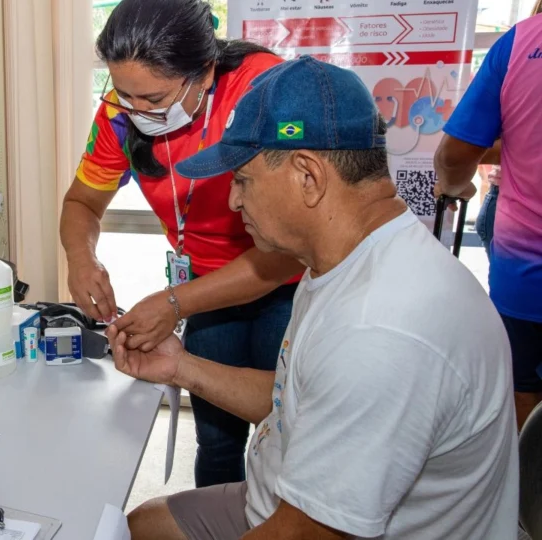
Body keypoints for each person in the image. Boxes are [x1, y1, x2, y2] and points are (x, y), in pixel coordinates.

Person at [110, 57, 518, 539]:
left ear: (308, 176)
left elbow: (306, 534)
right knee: (139, 526)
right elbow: (296, 401)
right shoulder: (349, 254)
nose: (234, 202)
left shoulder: (379, 330)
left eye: (242, 181)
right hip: (276, 495)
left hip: (305, 523)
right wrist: (179, 368)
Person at [60, 0, 303, 488]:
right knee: (216, 437)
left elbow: (283, 252)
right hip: (208, 290)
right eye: (123, 94)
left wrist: (174, 302)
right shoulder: (120, 113)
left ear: (205, 70)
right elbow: (82, 203)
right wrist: (81, 259)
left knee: (291, 427)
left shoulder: (264, 92)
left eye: (153, 98)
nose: (134, 110)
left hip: (287, 283)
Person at [435, 13, 542, 430]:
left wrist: (456, 186)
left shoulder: (521, 43)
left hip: (527, 270)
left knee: (523, 399)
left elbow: (455, 154)